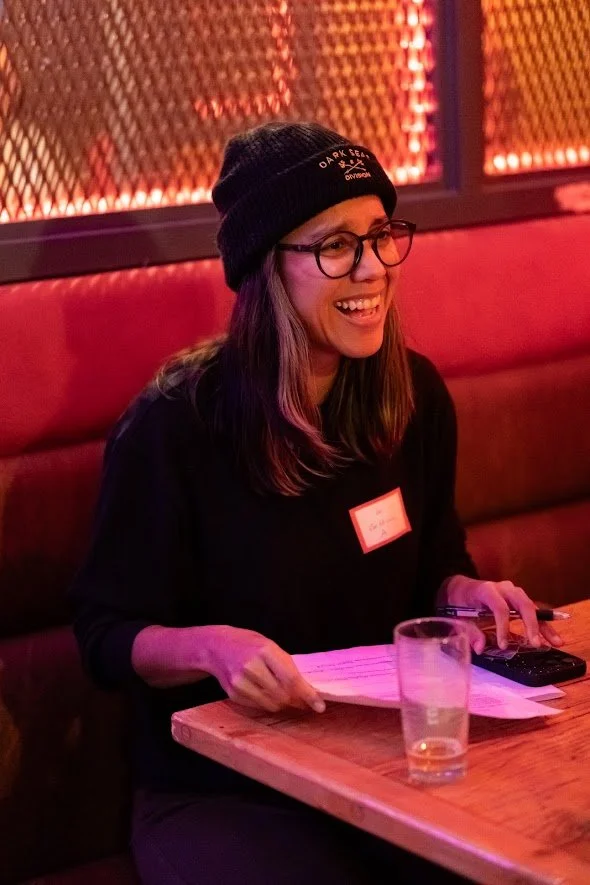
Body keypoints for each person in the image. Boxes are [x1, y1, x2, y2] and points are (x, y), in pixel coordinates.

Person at [70, 121, 563, 885]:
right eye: (335, 245)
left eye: (380, 235)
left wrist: (463, 594)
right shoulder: (175, 425)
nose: (371, 269)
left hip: (380, 765)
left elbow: (435, 561)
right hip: (226, 788)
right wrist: (212, 648)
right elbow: (105, 635)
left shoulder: (414, 396)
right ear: (266, 268)